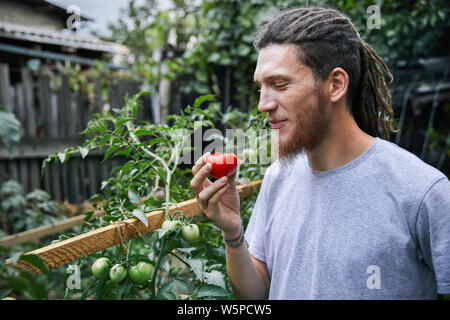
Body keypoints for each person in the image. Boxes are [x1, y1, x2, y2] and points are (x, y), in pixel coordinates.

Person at [190, 7, 450, 299]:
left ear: (335, 84)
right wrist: (233, 234)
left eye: (279, 85)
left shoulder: (423, 191)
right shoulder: (278, 177)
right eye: (261, 88)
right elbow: (258, 294)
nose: (263, 104)